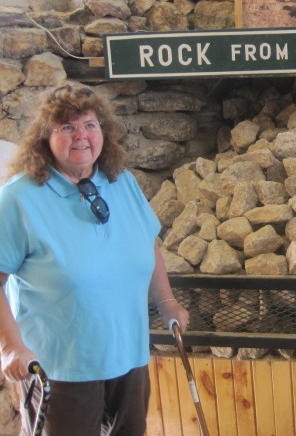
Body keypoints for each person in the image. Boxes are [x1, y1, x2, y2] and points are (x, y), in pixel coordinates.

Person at [0, 83, 189, 436]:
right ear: (45, 136)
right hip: (62, 367)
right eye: (67, 127)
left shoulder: (121, 183)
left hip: (129, 357)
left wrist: (168, 303)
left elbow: (148, 243)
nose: (81, 135)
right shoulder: (19, 198)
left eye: (90, 125)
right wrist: (10, 346)